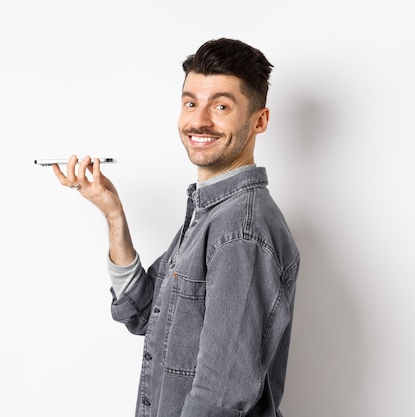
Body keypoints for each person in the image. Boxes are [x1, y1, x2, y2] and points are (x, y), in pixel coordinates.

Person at [52, 38, 300, 417]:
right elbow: (144, 314)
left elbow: (219, 398)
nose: (198, 121)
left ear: (259, 121)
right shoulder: (211, 212)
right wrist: (113, 213)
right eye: (190, 103)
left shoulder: (240, 230)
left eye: (221, 106)